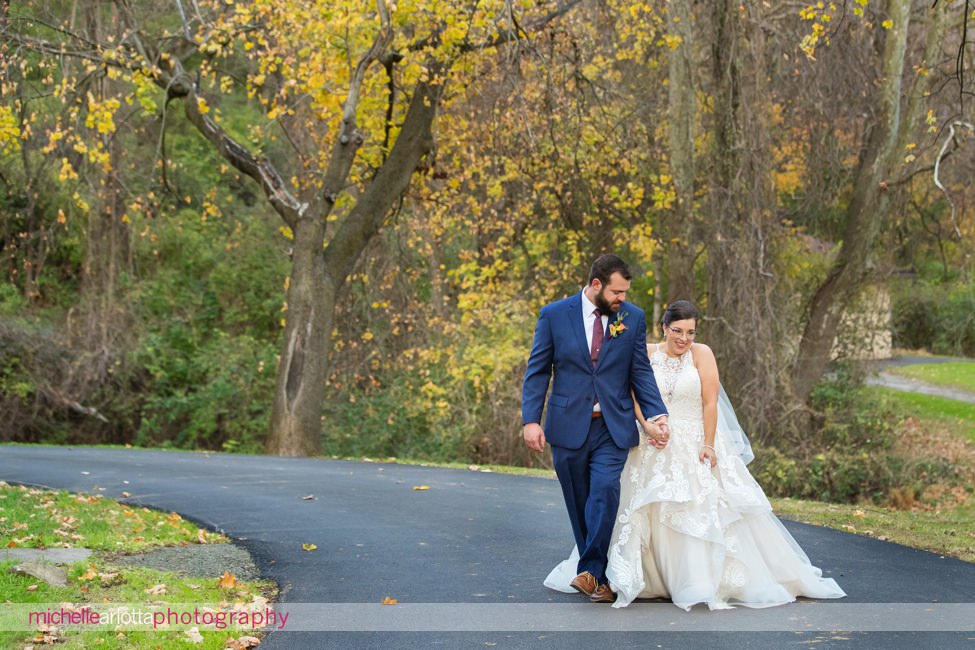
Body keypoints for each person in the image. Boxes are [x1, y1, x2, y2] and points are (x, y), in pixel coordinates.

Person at [598, 300, 847, 609]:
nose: (684, 339)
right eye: (677, 331)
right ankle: (650, 577)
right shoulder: (647, 353)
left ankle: (696, 579)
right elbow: (633, 394)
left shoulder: (702, 354)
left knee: (703, 508)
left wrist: (709, 444)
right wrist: (648, 425)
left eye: (691, 332)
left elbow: (709, 403)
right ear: (663, 327)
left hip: (694, 437)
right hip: (653, 438)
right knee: (643, 505)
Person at [522, 254, 669, 604]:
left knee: (604, 492)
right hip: (567, 425)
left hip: (612, 424)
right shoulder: (554, 315)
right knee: (579, 503)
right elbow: (539, 369)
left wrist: (656, 412)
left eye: (625, 293)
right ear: (597, 284)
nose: (622, 299)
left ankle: (588, 571)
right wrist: (531, 420)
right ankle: (597, 577)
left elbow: (640, 372)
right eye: (617, 292)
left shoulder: (632, 318)